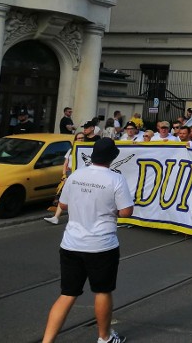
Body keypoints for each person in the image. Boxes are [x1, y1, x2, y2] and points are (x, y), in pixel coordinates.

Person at [41, 138, 134, 343]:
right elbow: (126, 211)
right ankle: (104, 337)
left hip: (71, 242)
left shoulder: (76, 175)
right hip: (101, 245)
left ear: (92, 155)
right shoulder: (115, 179)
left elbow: (63, 205)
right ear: (112, 158)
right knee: (102, 291)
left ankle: (47, 341)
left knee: (67, 294)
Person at [45, 131, 86, 224]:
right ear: (75, 140)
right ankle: (56, 217)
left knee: (79, 196)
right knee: (64, 194)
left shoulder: (86, 150)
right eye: (79, 138)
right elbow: (65, 163)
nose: (81, 140)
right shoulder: (71, 150)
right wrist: (64, 175)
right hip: (70, 173)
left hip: (81, 174)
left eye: (82, 138)